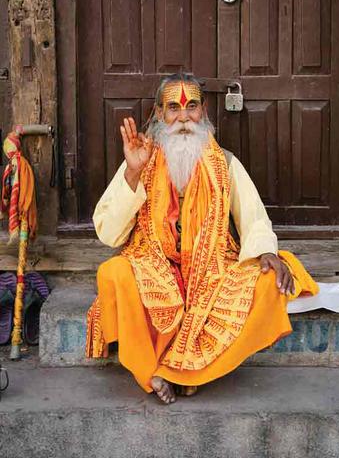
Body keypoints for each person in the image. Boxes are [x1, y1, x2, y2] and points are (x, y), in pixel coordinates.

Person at [86, 74, 318, 404]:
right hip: (153, 267)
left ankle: (180, 372)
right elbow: (108, 233)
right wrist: (133, 172)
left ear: (203, 110)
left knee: (270, 279)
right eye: (173, 108)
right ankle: (149, 370)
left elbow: (252, 216)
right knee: (113, 273)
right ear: (158, 114)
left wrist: (266, 251)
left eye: (191, 106)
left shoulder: (225, 162)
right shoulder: (141, 160)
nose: (183, 118)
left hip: (213, 270)